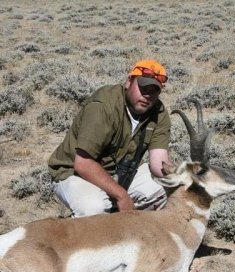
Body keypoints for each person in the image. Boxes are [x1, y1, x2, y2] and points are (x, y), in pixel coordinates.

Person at [48, 59, 173, 217]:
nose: (147, 95)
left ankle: (134, 235)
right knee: (94, 208)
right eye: (142, 88)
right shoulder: (104, 105)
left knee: (165, 188)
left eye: (153, 90)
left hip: (119, 174)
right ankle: (81, 236)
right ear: (128, 82)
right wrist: (121, 196)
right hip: (75, 174)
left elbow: (159, 163)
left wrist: (184, 178)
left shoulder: (158, 112)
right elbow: (83, 164)